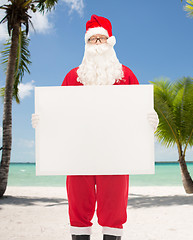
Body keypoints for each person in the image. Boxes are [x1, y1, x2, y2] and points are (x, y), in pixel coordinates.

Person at [32, 15, 159, 240]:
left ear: (110, 42)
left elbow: (139, 112)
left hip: (116, 155)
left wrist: (150, 120)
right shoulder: (73, 77)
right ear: (86, 44)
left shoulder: (126, 75)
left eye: (102, 39)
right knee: (78, 206)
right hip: (78, 154)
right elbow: (59, 114)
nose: (98, 44)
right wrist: (43, 122)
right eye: (93, 40)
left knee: (114, 208)